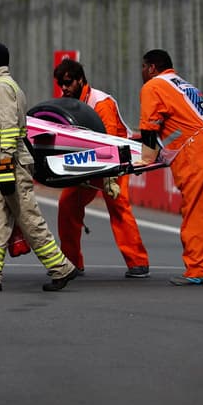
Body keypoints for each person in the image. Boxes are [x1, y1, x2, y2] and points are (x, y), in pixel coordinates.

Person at [0, 42, 78, 292]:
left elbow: (9, 131)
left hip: (10, 163)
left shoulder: (2, 88)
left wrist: (4, 168)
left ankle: (62, 268)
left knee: (28, 217)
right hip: (3, 163)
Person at [138, 49, 203, 286]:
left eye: (143, 67)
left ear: (152, 68)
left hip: (201, 149)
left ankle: (198, 270)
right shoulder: (182, 84)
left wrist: (146, 159)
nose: (141, 73)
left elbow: (150, 125)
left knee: (195, 211)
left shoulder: (153, 86)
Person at [53, 58, 150, 279]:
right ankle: (71, 262)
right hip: (88, 162)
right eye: (61, 84)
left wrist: (109, 177)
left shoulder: (100, 102)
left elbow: (110, 141)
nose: (64, 88)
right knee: (67, 203)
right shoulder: (66, 102)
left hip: (116, 161)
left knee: (118, 204)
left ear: (80, 80)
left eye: (68, 83)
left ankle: (138, 262)